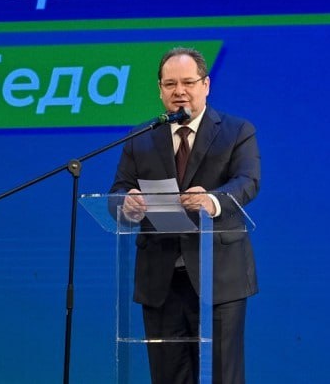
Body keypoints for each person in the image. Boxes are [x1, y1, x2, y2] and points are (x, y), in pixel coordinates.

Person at [110, 47, 261, 384]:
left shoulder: (237, 131)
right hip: (160, 280)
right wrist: (126, 203)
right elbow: (118, 190)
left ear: (205, 85)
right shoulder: (140, 138)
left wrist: (212, 200)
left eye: (188, 83)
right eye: (170, 84)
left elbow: (247, 181)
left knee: (223, 376)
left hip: (219, 276)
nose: (179, 91)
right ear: (160, 90)